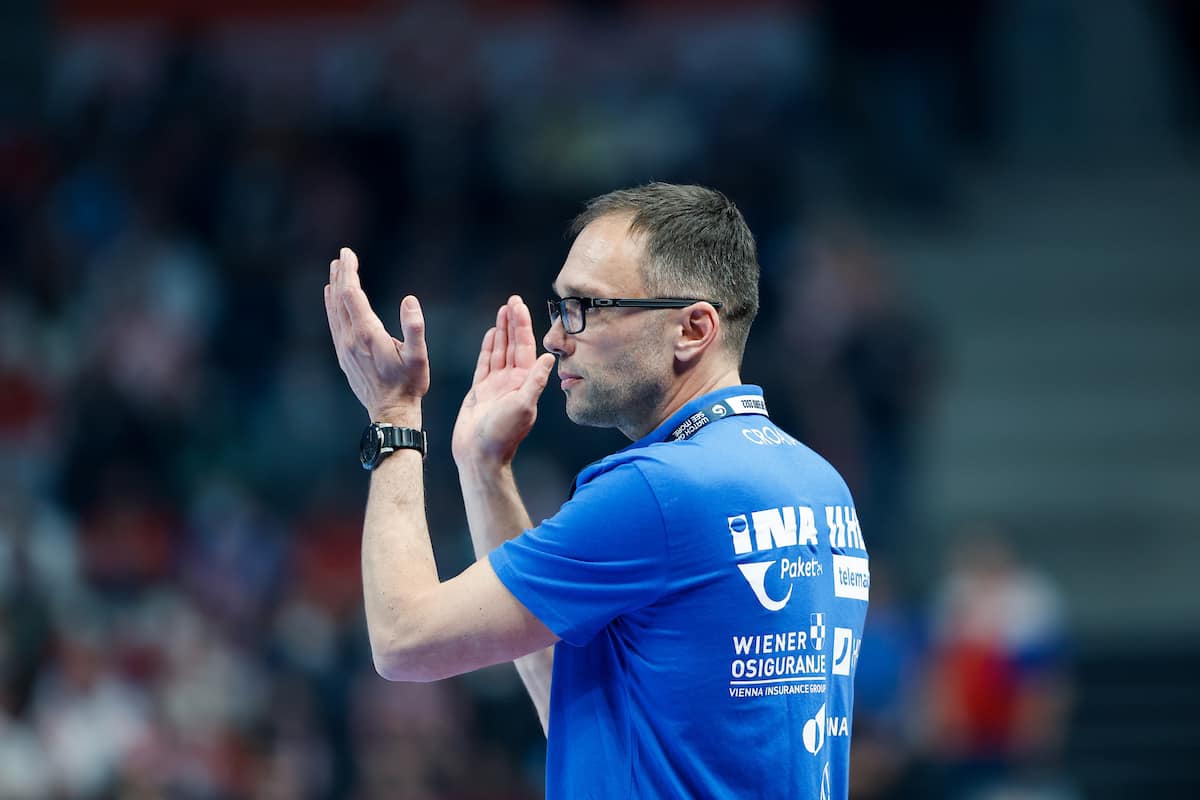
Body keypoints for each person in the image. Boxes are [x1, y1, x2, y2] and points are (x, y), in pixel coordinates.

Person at [323, 183, 870, 799]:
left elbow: (404, 641)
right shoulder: (820, 487)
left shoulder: (659, 493)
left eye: (587, 306)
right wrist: (484, 468)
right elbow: (591, 725)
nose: (556, 338)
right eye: (560, 307)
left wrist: (394, 415)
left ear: (693, 328)